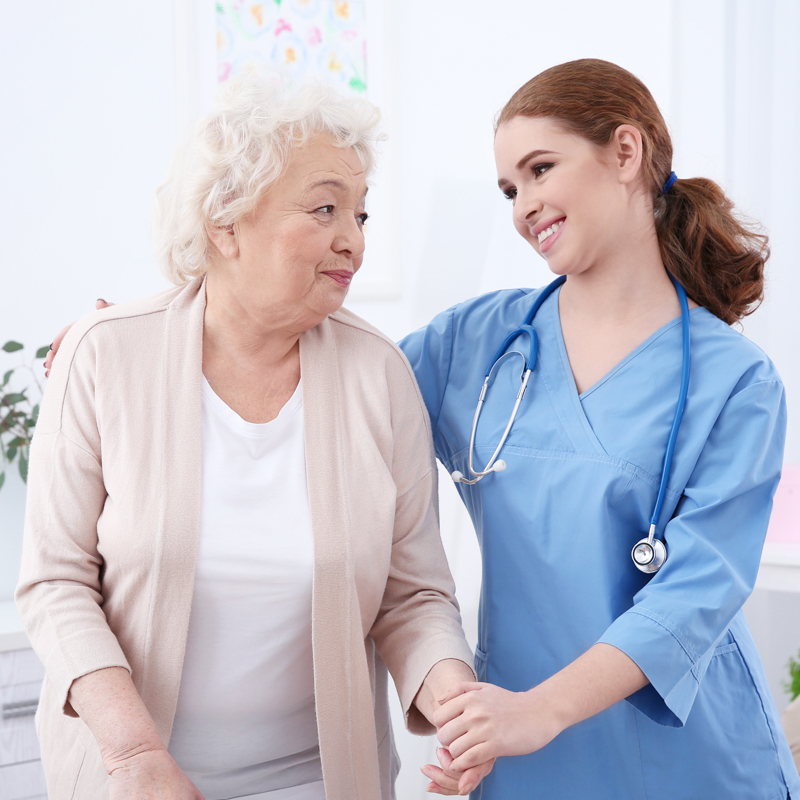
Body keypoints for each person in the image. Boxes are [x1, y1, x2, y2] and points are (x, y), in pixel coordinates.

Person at [17, 74, 494, 800]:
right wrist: (135, 753)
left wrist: (456, 703)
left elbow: (412, 595)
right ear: (225, 222)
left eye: (361, 215)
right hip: (133, 773)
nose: (353, 240)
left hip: (321, 779)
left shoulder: (380, 375)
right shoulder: (105, 355)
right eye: (326, 208)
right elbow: (56, 582)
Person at [401, 59, 800, 798]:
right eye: (509, 189)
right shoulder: (473, 342)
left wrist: (540, 712)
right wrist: (162, 344)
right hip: (519, 745)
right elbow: (337, 398)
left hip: (689, 759)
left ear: (626, 153)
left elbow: (693, 594)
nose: (523, 205)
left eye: (540, 168)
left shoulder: (735, 382)